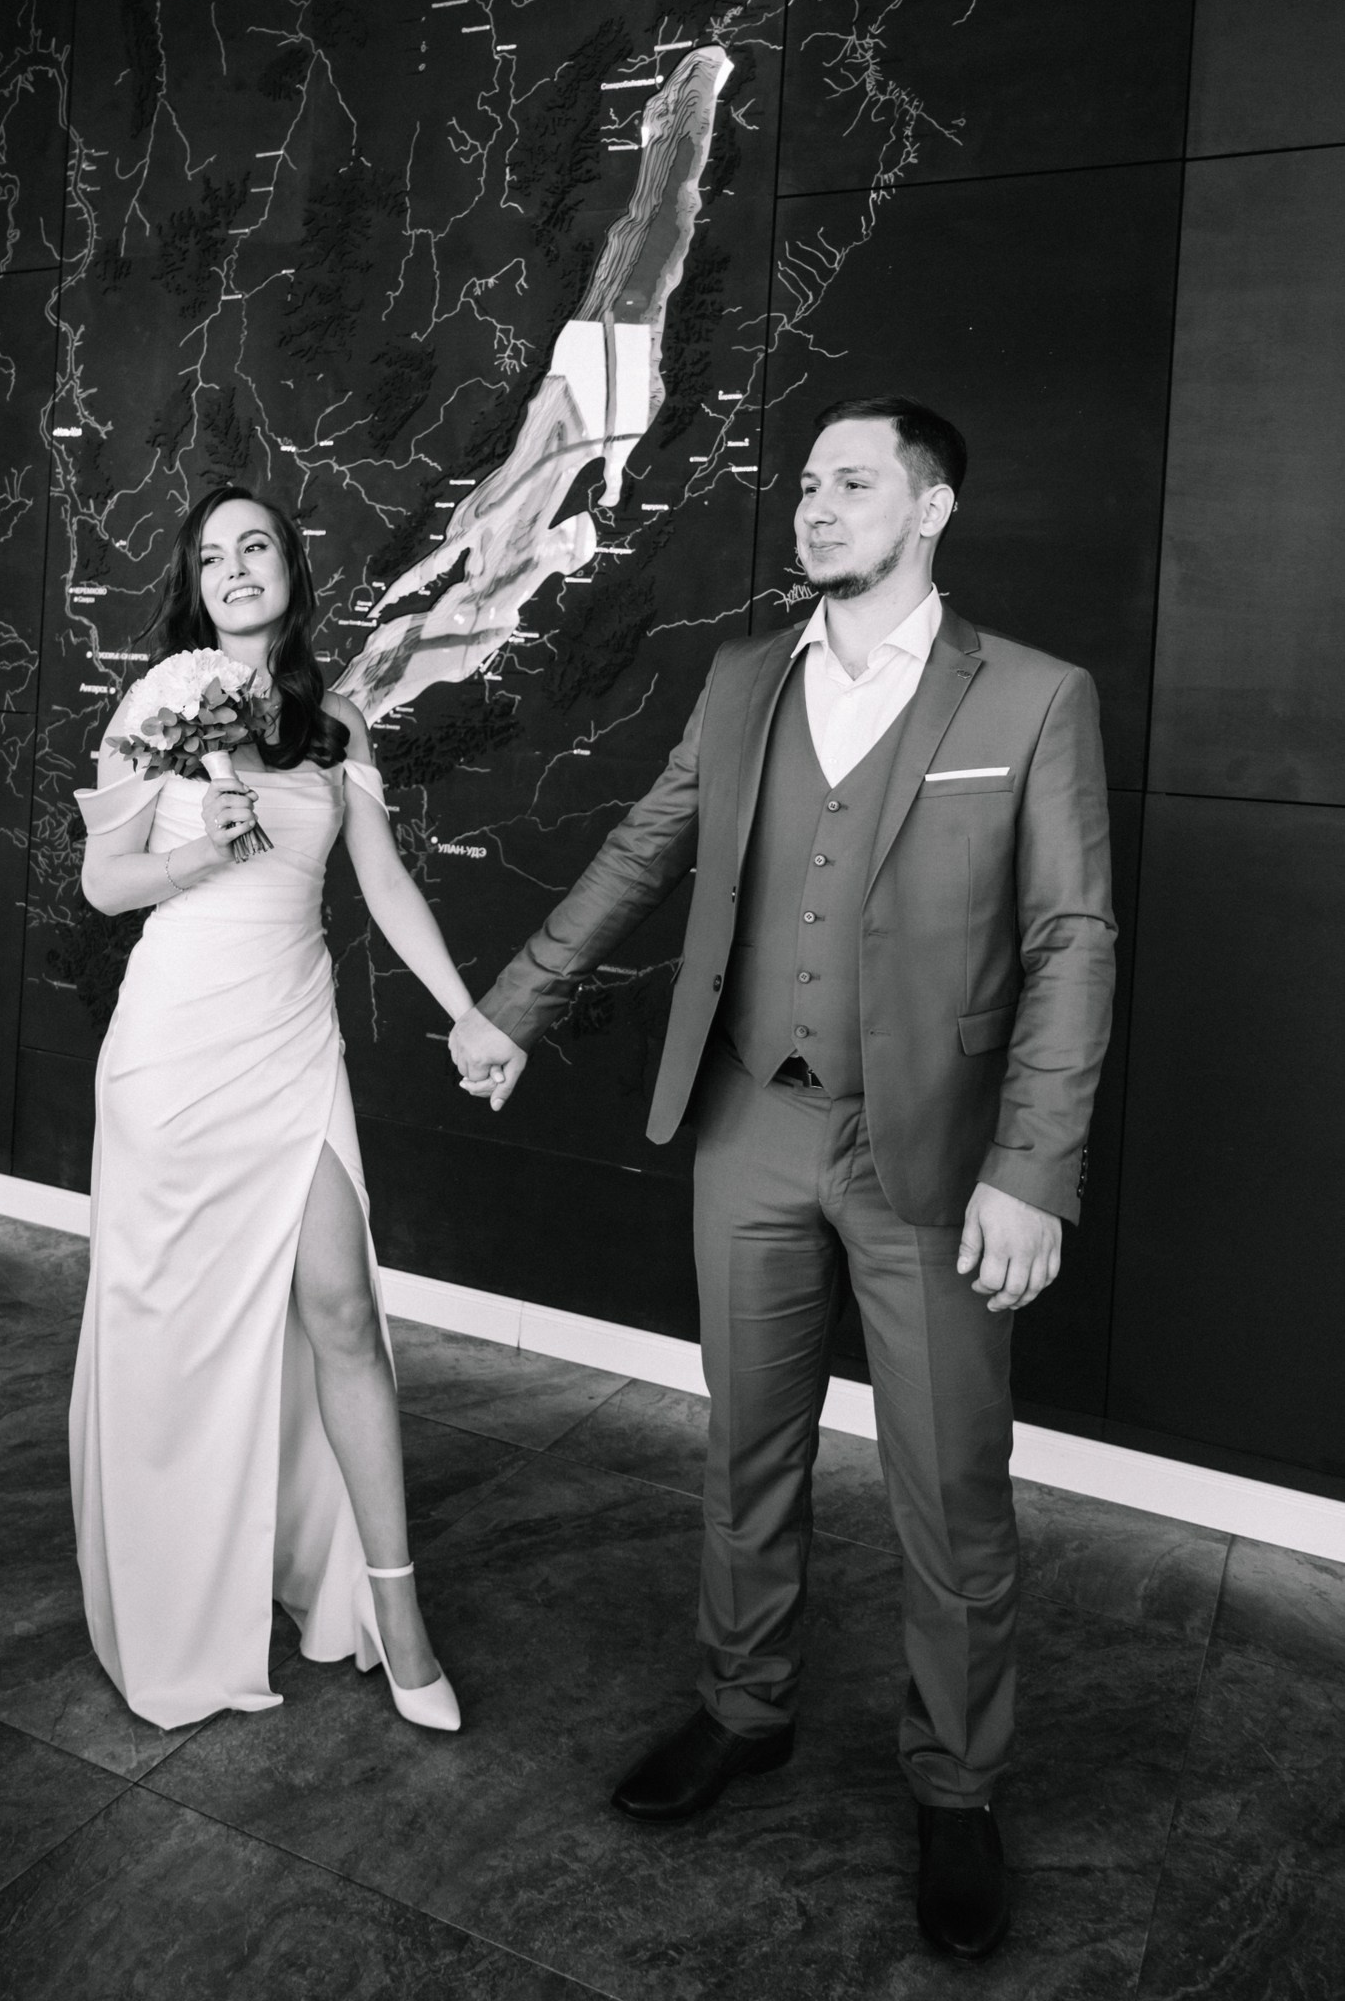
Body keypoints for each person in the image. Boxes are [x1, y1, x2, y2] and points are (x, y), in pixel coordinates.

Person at [450, 396, 1115, 1959]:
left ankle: (954, 1785)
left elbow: (1069, 938)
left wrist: (1031, 1166)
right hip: (750, 1119)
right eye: (807, 483)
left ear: (929, 509)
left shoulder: (1031, 697)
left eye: (852, 483)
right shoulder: (745, 677)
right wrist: (512, 1004)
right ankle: (741, 1708)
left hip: (931, 1152)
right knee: (744, 1444)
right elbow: (644, 842)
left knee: (946, 1483)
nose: (814, 506)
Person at [72, 483, 477, 1735]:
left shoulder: (339, 720)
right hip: (173, 1052)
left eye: (256, 546)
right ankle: (180, 1604)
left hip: (292, 1038)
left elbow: (385, 883)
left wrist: (467, 1012)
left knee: (343, 1307)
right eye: (212, 556)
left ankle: (396, 1610)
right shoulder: (152, 705)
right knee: (175, 1335)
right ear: (194, 588)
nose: (235, 567)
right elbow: (103, 884)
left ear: (292, 570)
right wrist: (206, 844)